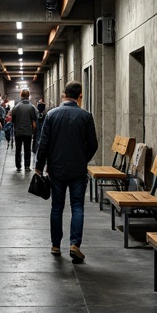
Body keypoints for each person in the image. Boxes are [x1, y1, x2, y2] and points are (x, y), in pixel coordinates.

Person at [34, 80, 98, 263]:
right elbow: (93, 144)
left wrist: (39, 166)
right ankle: (74, 244)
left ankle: (55, 245)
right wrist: (82, 159)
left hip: (56, 169)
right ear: (80, 96)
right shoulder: (86, 116)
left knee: (57, 207)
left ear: (63, 94)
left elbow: (43, 143)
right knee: (77, 207)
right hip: (77, 169)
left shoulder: (52, 115)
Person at [10, 88, 38, 171]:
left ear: (21, 95)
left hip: (18, 131)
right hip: (28, 132)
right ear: (29, 96)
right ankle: (27, 166)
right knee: (27, 149)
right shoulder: (32, 107)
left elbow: (13, 120)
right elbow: (35, 119)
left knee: (18, 150)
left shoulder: (16, 107)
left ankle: (18, 166)